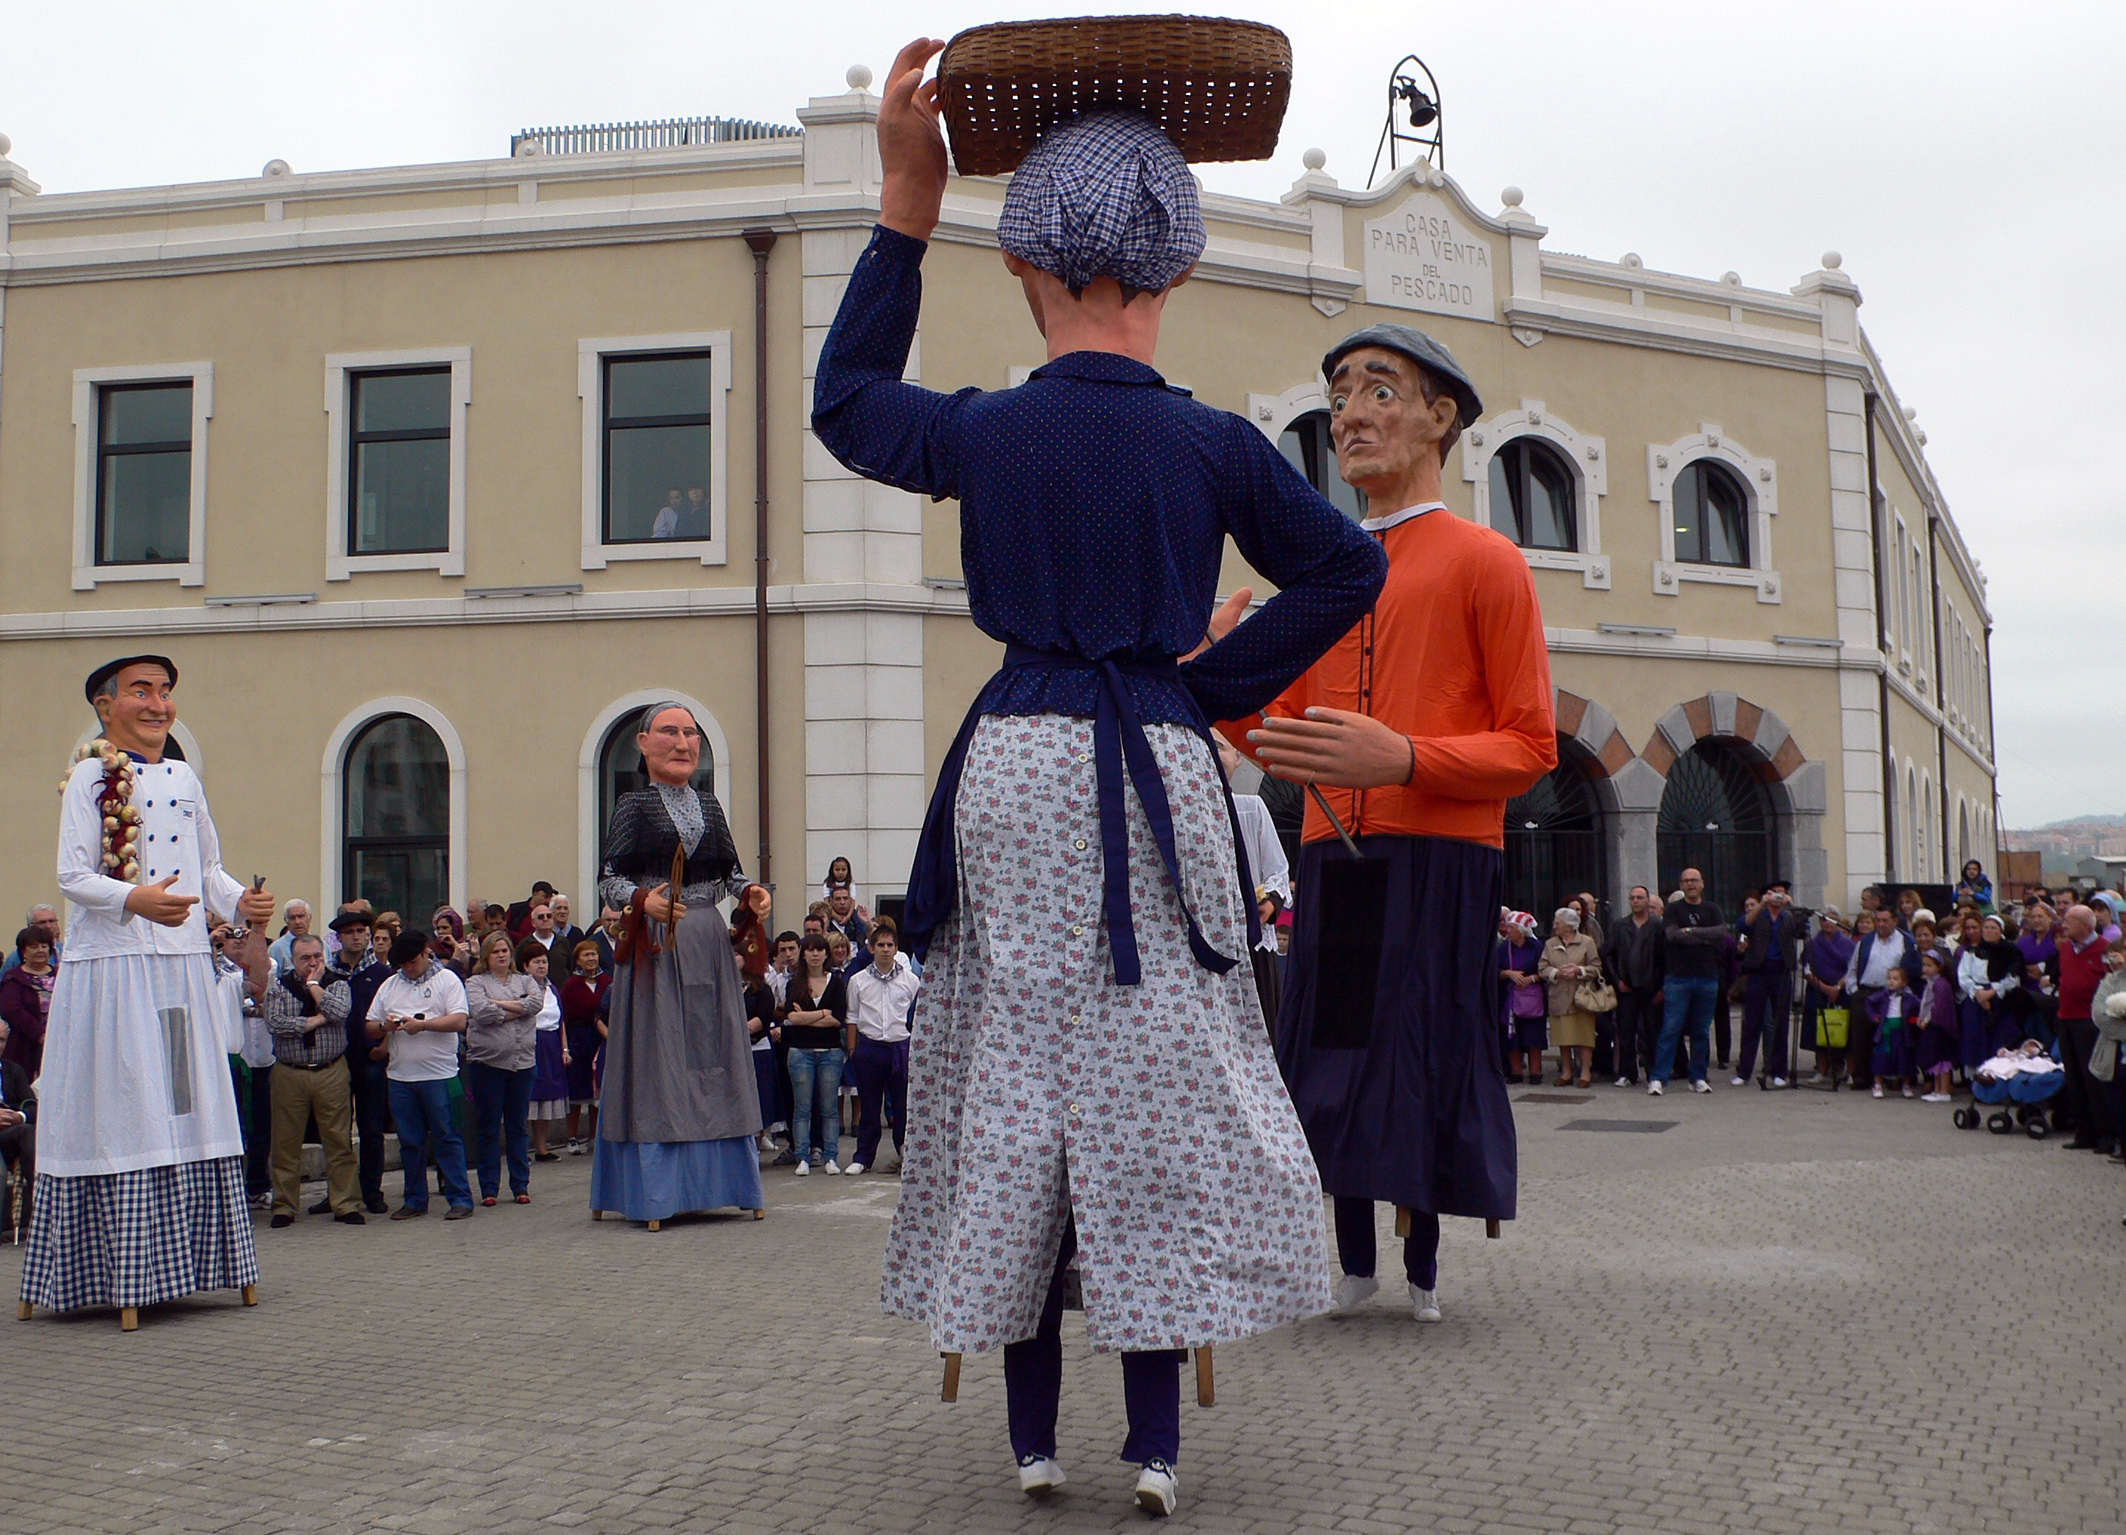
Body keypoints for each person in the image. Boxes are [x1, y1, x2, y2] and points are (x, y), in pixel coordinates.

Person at [818, 43, 1384, 1512]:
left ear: (1017, 259)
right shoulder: (1210, 442)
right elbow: (1347, 563)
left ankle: (1025, 1428)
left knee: (1010, 1063)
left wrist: (901, 199)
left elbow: (846, 401)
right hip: (1154, 764)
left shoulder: (984, 430)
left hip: (1015, 759)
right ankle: (1152, 1439)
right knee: (1161, 1063)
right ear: (1176, 267)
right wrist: (1206, 691)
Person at [1239, 310, 1553, 1321]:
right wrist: (1221, 676)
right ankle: (1347, 1260)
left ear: (1437, 415)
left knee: (1418, 1050)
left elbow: (1529, 748)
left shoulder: (1485, 560)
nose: (1348, 414)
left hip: (1440, 856)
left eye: (1377, 390)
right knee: (1326, 1050)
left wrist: (1406, 755)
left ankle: (1417, 1266)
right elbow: (1278, 735)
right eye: (1337, 396)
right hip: (1334, 854)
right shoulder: (1318, 571)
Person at [19, 655, 275, 1326]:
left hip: (181, 966)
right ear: (107, 707)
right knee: (122, 1100)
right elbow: (73, 874)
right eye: (142, 691)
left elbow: (209, 869)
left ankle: (196, 1261)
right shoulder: (87, 777)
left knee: (187, 1102)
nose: (158, 703)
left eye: (164, 691)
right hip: (116, 967)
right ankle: (115, 1268)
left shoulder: (187, 776)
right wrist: (133, 895)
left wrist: (243, 903)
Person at [591, 702, 769, 1224]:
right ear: (643, 744)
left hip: (707, 939)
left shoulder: (710, 807)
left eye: (690, 733)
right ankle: (655, 1190)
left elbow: (732, 875)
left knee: (715, 1049)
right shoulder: (633, 807)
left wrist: (752, 892)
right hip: (655, 944)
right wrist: (642, 899)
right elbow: (609, 879)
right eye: (670, 732)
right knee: (660, 1053)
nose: (683, 742)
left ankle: (730, 1178)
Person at [367, 931, 473, 1219]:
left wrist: (423, 1026)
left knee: (447, 1137)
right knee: (409, 1141)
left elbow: (460, 1020)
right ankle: (414, 1199)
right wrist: (385, 1028)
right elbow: (369, 1024)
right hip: (401, 1077)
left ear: (426, 953)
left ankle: (460, 1198)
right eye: (402, 964)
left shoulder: (447, 980)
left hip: (440, 1074)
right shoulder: (390, 985)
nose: (407, 969)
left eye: (412, 962)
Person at [261, 933, 362, 1227]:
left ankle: (345, 1203)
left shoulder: (338, 983)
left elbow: (341, 1011)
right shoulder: (280, 987)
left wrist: (316, 988)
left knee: (339, 1141)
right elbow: (276, 1023)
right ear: (293, 961)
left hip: (331, 1070)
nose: (313, 963)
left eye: (317, 957)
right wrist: (316, 1021)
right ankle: (284, 1206)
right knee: (285, 1143)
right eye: (305, 958)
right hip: (290, 1072)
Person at [463, 931, 542, 1206]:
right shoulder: (475, 982)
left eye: (505, 950)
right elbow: (482, 1013)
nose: (501, 955)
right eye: (496, 951)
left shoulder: (526, 979)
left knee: (517, 1127)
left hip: (523, 1064)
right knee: (488, 1127)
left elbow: (536, 1003)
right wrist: (519, 1009)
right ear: (486, 955)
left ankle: (520, 1185)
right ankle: (488, 1188)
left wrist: (500, 1005)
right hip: (488, 1065)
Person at [325, 913, 392, 1215]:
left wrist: (385, 1045)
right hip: (336, 1059)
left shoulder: (381, 974)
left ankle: (371, 1191)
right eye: (349, 932)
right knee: (336, 1130)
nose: (356, 937)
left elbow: (394, 1012)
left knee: (371, 1128)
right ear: (339, 938)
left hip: (371, 1059)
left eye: (360, 932)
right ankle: (338, 1192)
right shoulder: (328, 974)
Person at [844, 917, 920, 1175]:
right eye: (881, 945)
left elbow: (917, 1016)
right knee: (870, 1106)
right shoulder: (858, 981)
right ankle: (863, 1157)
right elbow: (852, 1016)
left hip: (900, 1047)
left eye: (890, 945)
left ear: (896, 948)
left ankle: (904, 1154)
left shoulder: (910, 981)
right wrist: (853, 1050)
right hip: (869, 1048)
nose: (886, 949)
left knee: (901, 1107)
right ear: (872, 948)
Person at [1651, 869, 1727, 1095]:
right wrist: (1704, 938)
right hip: (1678, 977)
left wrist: (1691, 931)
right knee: (1670, 1028)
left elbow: (1721, 932)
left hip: (1707, 977)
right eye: (1685, 881)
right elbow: (1673, 935)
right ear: (1681, 885)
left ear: (1702, 883)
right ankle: (1658, 1077)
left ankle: (1698, 1077)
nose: (1690, 884)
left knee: (1701, 1031)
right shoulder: (1673, 909)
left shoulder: (1712, 909)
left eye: (1694, 880)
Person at [780, 932, 849, 1175]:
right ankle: (802, 1157)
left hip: (830, 1053)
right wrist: (821, 1014)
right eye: (810, 950)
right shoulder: (794, 984)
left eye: (819, 950)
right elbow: (792, 1018)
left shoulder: (837, 983)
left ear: (826, 954)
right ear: (803, 953)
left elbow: (837, 1020)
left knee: (829, 1107)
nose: (815, 954)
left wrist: (806, 1017)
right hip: (800, 1053)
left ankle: (830, 1156)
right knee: (802, 1108)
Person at [2053, 905, 2112, 1152]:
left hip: (2090, 1022)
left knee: (2094, 1080)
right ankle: (2083, 1132)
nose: (2064, 926)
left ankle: (2105, 1134)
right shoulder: (2066, 949)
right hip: (2066, 1018)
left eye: (2069, 921)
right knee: (2074, 1077)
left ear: (2086, 925)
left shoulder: (2104, 950)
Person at [1843, 907, 1921, 1093]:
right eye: (1878, 920)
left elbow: (1911, 970)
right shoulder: (1865, 942)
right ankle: (1862, 1076)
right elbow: (1853, 968)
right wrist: (1854, 990)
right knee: (1861, 1036)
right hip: (1865, 993)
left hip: (1892, 994)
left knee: (1892, 1037)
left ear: (1894, 921)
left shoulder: (1905, 942)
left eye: (1885, 920)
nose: (1881, 924)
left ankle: (1892, 1076)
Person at [1736, 884, 1800, 1087]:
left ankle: (1778, 1071)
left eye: (1780, 893)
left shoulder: (1788, 916)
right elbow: (1743, 925)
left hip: (1781, 971)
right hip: (1759, 971)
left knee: (1780, 1022)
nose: (1777, 897)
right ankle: (1744, 1071)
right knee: (1752, 1022)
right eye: (1774, 893)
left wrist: (1791, 906)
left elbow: (1801, 930)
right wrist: (1762, 903)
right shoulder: (1760, 914)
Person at [1602, 887, 1664, 1088]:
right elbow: (1608, 955)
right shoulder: (1620, 926)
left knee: (1652, 1031)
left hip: (1651, 987)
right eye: (1633, 898)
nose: (1636, 901)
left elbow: (1665, 958)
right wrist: (1617, 980)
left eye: (1640, 898)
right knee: (1626, 1031)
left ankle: (1654, 1072)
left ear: (1648, 901)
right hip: (1626, 987)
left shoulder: (1658, 926)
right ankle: (1627, 1072)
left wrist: (1662, 986)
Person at [1538, 908, 1600, 1089]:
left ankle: (1585, 1072)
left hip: (1581, 996)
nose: (1554, 926)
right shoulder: (1550, 944)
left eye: (1558, 922)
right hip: (1559, 996)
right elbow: (1542, 968)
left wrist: (1578, 971)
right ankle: (1566, 1072)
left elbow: (1596, 967)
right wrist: (1556, 973)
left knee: (1584, 1038)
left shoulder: (1586, 942)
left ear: (1570, 926)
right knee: (1563, 1037)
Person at [559, 944, 610, 1154]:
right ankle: (571, 1137)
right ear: (578, 960)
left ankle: (593, 1136)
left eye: (594, 954)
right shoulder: (571, 985)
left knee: (596, 1091)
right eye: (586, 955)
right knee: (578, 1090)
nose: (591, 958)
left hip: (601, 1039)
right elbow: (566, 1015)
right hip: (579, 1039)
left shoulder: (608, 982)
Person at [528, 943, 576, 1161]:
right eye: (536, 962)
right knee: (528, 1098)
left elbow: (561, 1021)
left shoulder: (553, 989)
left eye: (544, 961)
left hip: (551, 1045)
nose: (541, 966)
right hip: (531, 1044)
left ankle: (542, 1147)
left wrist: (564, 1049)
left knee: (546, 1098)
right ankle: (522, 1147)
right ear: (525, 965)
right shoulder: (522, 988)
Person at [1958, 913, 2025, 1068]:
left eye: (1993, 928)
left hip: (2002, 1000)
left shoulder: (2010, 952)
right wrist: (1978, 993)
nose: (1988, 931)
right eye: (1986, 927)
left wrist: (1993, 991)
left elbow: (2014, 977)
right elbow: (1963, 975)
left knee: (2000, 1039)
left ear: (2000, 930)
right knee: (1976, 1038)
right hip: (1977, 999)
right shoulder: (1971, 952)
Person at [1801, 909, 1855, 1087]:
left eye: (1832, 920)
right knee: (1819, 1031)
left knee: (1847, 1031)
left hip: (1843, 991)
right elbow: (1806, 969)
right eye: (1824, 920)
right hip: (1817, 990)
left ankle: (1851, 1072)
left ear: (1838, 922)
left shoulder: (1848, 944)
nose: (1827, 923)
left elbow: (1853, 968)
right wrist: (1825, 988)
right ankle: (1821, 1071)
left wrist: (1838, 987)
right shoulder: (1813, 944)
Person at [0, 927, 57, 1078]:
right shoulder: (13, 978)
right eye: (34, 946)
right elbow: (12, 1010)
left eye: (44, 946)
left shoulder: (61, 974)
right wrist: (40, 1034)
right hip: (25, 1046)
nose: (40, 950)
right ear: (23, 952)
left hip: (59, 1042)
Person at [1496, 912, 1546, 1084]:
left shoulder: (1537, 947)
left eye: (1511, 927)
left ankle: (1535, 1072)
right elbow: (1493, 971)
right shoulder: (1503, 949)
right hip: (1510, 999)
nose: (1507, 930)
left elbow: (1546, 970)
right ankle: (1516, 1072)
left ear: (1522, 930)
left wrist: (1531, 979)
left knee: (1533, 1036)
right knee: (1512, 1036)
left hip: (1533, 998)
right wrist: (1508, 973)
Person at [1911, 951, 1959, 1101]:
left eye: (1929, 965)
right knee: (1935, 1059)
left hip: (1939, 1027)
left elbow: (1938, 1007)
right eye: (1924, 965)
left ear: (1939, 967)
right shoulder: (1931, 983)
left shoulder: (1941, 984)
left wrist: (1927, 1019)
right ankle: (1937, 1089)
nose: (1926, 968)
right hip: (1931, 1025)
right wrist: (1921, 1018)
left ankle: (1944, 1091)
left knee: (1942, 1059)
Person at [0, 1048, 33, 1240]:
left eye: (2, 1040)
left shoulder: (13, 1071)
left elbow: (33, 1106)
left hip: (11, 1134)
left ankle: (37, 1216)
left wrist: (19, 1117)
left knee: (28, 1132)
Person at [0, 905, 62, 977]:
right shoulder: (17, 956)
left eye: (51, 921)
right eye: (42, 922)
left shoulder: (66, 951)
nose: (48, 926)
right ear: (30, 926)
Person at [268, 899, 314, 974]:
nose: (297, 922)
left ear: (310, 918)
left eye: (301, 916)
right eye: (292, 918)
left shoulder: (322, 946)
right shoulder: (276, 949)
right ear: (286, 921)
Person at [549, 895, 585, 959]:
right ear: (551, 911)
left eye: (565, 908)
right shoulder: (547, 933)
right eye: (558, 908)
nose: (562, 912)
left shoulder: (577, 934)